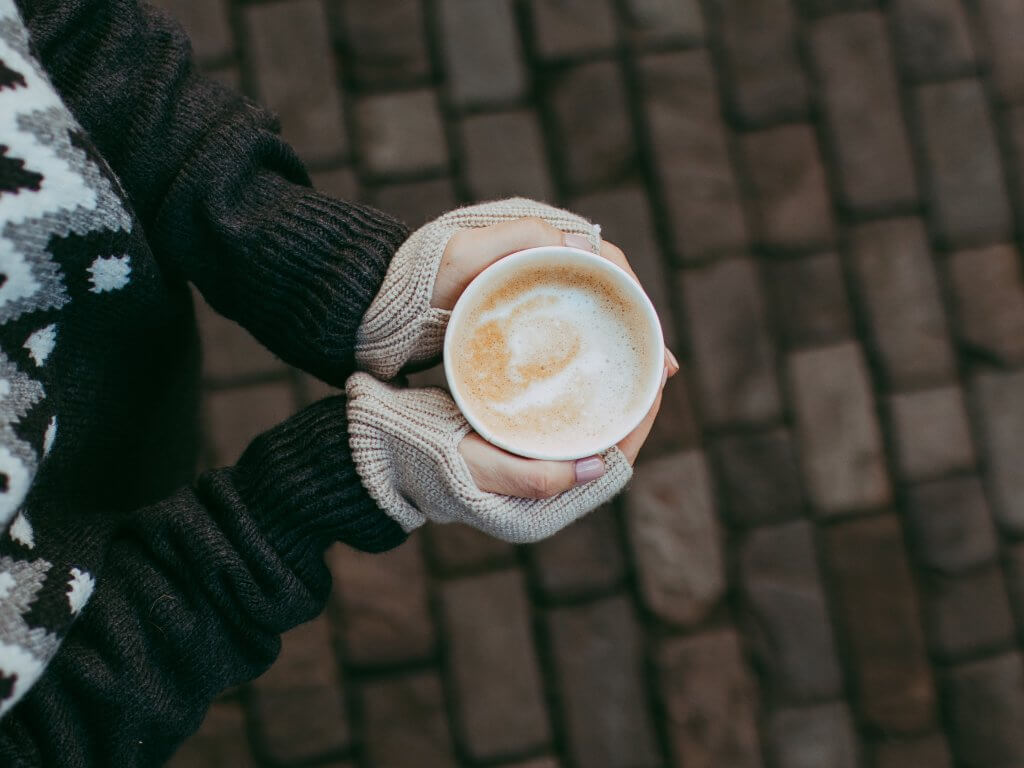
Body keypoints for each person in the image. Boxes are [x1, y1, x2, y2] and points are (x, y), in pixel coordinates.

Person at [0, 0, 677, 763]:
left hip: (113, 355)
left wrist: (324, 266)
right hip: (56, 589)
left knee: (148, 441)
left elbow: (59, 28)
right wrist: (309, 500)